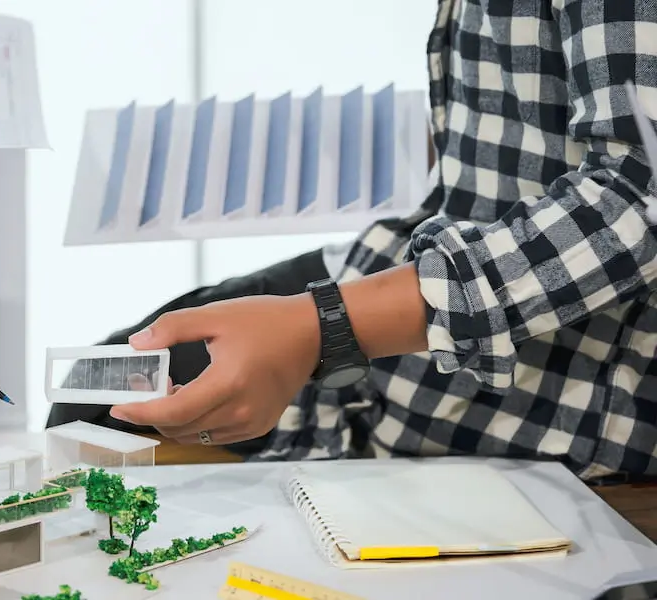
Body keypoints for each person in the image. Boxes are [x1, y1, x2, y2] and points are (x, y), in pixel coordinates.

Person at [49, 0, 657, 483]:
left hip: (545, 386)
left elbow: (639, 199)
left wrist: (327, 324)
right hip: (412, 255)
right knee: (95, 386)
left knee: (105, 401)